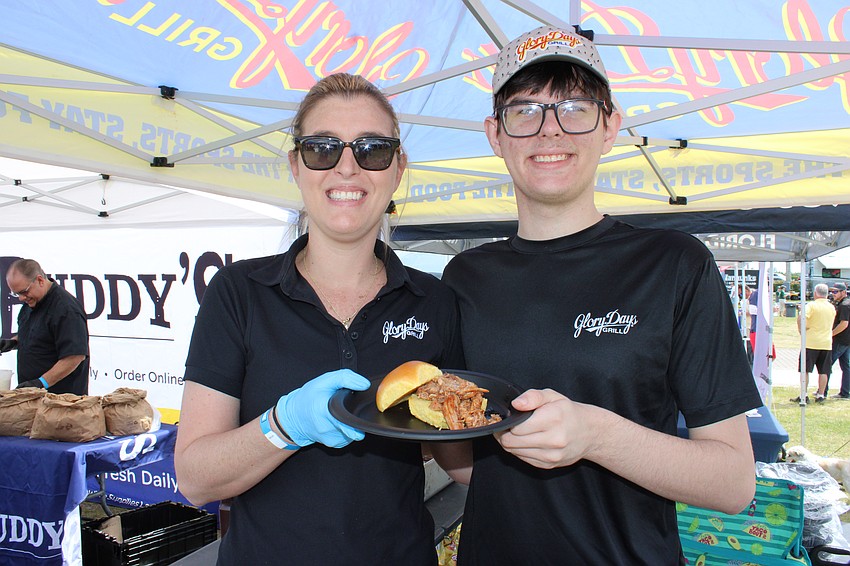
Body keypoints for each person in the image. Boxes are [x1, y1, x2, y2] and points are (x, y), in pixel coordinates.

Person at [440, 25, 763, 564]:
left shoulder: (675, 265)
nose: (550, 131)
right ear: (495, 134)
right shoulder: (464, 276)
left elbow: (732, 483)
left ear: (610, 126)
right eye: (525, 111)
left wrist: (597, 436)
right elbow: (455, 450)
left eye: (574, 107)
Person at [173, 73, 464, 565]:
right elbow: (197, 478)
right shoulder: (238, 293)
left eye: (372, 149)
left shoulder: (434, 300)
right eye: (322, 148)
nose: (347, 167)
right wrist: (284, 425)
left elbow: (461, 459)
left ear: (398, 168)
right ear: (295, 164)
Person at [2, 259, 89, 394]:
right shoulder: (31, 303)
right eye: (16, 294)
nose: (20, 298)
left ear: (40, 280)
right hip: (34, 398)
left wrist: (41, 383)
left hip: (62, 403)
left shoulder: (66, 309)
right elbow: (38, 334)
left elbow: (74, 356)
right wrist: (12, 342)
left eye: (23, 292)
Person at [792, 283, 835, 403]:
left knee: (805, 369)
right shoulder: (831, 307)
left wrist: (801, 330)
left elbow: (802, 317)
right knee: (824, 370)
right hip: (826, 342)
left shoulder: (811, 305)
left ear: (815, 293)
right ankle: (821, 395)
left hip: (811, 342)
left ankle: (803, 394)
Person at [828, 282, 850, 399]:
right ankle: (845, 392)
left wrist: (831, 334)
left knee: (827, 365)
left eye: (836, 291)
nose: (833, 294)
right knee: (846, 367)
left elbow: (844, 324)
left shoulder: (844, 305)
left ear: (843, 292)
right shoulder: (843, 303)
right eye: (832, 291)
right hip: (846, 340)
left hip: (841, 340)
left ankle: (822, 391)